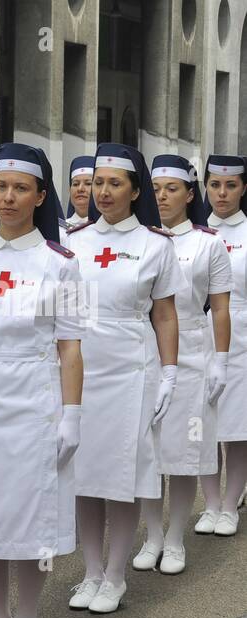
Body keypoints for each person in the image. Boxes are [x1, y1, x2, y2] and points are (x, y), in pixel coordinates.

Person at [0, 144, 85, 618]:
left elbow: (71, 346)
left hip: (35, 396)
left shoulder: (63, 263)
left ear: (41, 196)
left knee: (30, 516)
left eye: (20, 188)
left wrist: (72, 414)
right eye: (0, 186)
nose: (8, 197)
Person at [63, 144, 182, 613]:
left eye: (115, 183)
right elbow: (61, 315)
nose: (104, 192)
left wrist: (170, 372)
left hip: (132, 368)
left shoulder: (156, 245)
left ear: (136, 190)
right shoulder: (72, 241)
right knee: (85, 473)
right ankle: (90, 571)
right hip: (80, 366)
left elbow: (166, 316)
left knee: (124, 473)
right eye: (98, 183)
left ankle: (115, 574)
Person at [134, 155, 231, 572]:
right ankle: (152, 534)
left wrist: (221, 362)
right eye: (156, 189)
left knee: (184, 450)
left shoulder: (207, 242)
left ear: (190, 195)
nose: (162, 197)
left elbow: (221, 308)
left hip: (192, 348)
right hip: (145, 350)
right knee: (148, 450)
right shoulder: (141, 240)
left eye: (172, 189)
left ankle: (176, 538)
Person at [201, 154, 247, 535]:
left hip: (244, 338)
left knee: (237, 427)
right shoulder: (195, 233)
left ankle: (230, 505)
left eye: (230, 185)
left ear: (243, 188)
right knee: (204, 424)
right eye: (215, 184)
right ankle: (210, 504)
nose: (222, 192)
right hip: (201, 336)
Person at [66, 157, 93, 226]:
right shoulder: (60, 231)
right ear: (69, 190)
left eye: (88, 183)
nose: (80, 189)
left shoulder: (110, 230)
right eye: (75, 184)